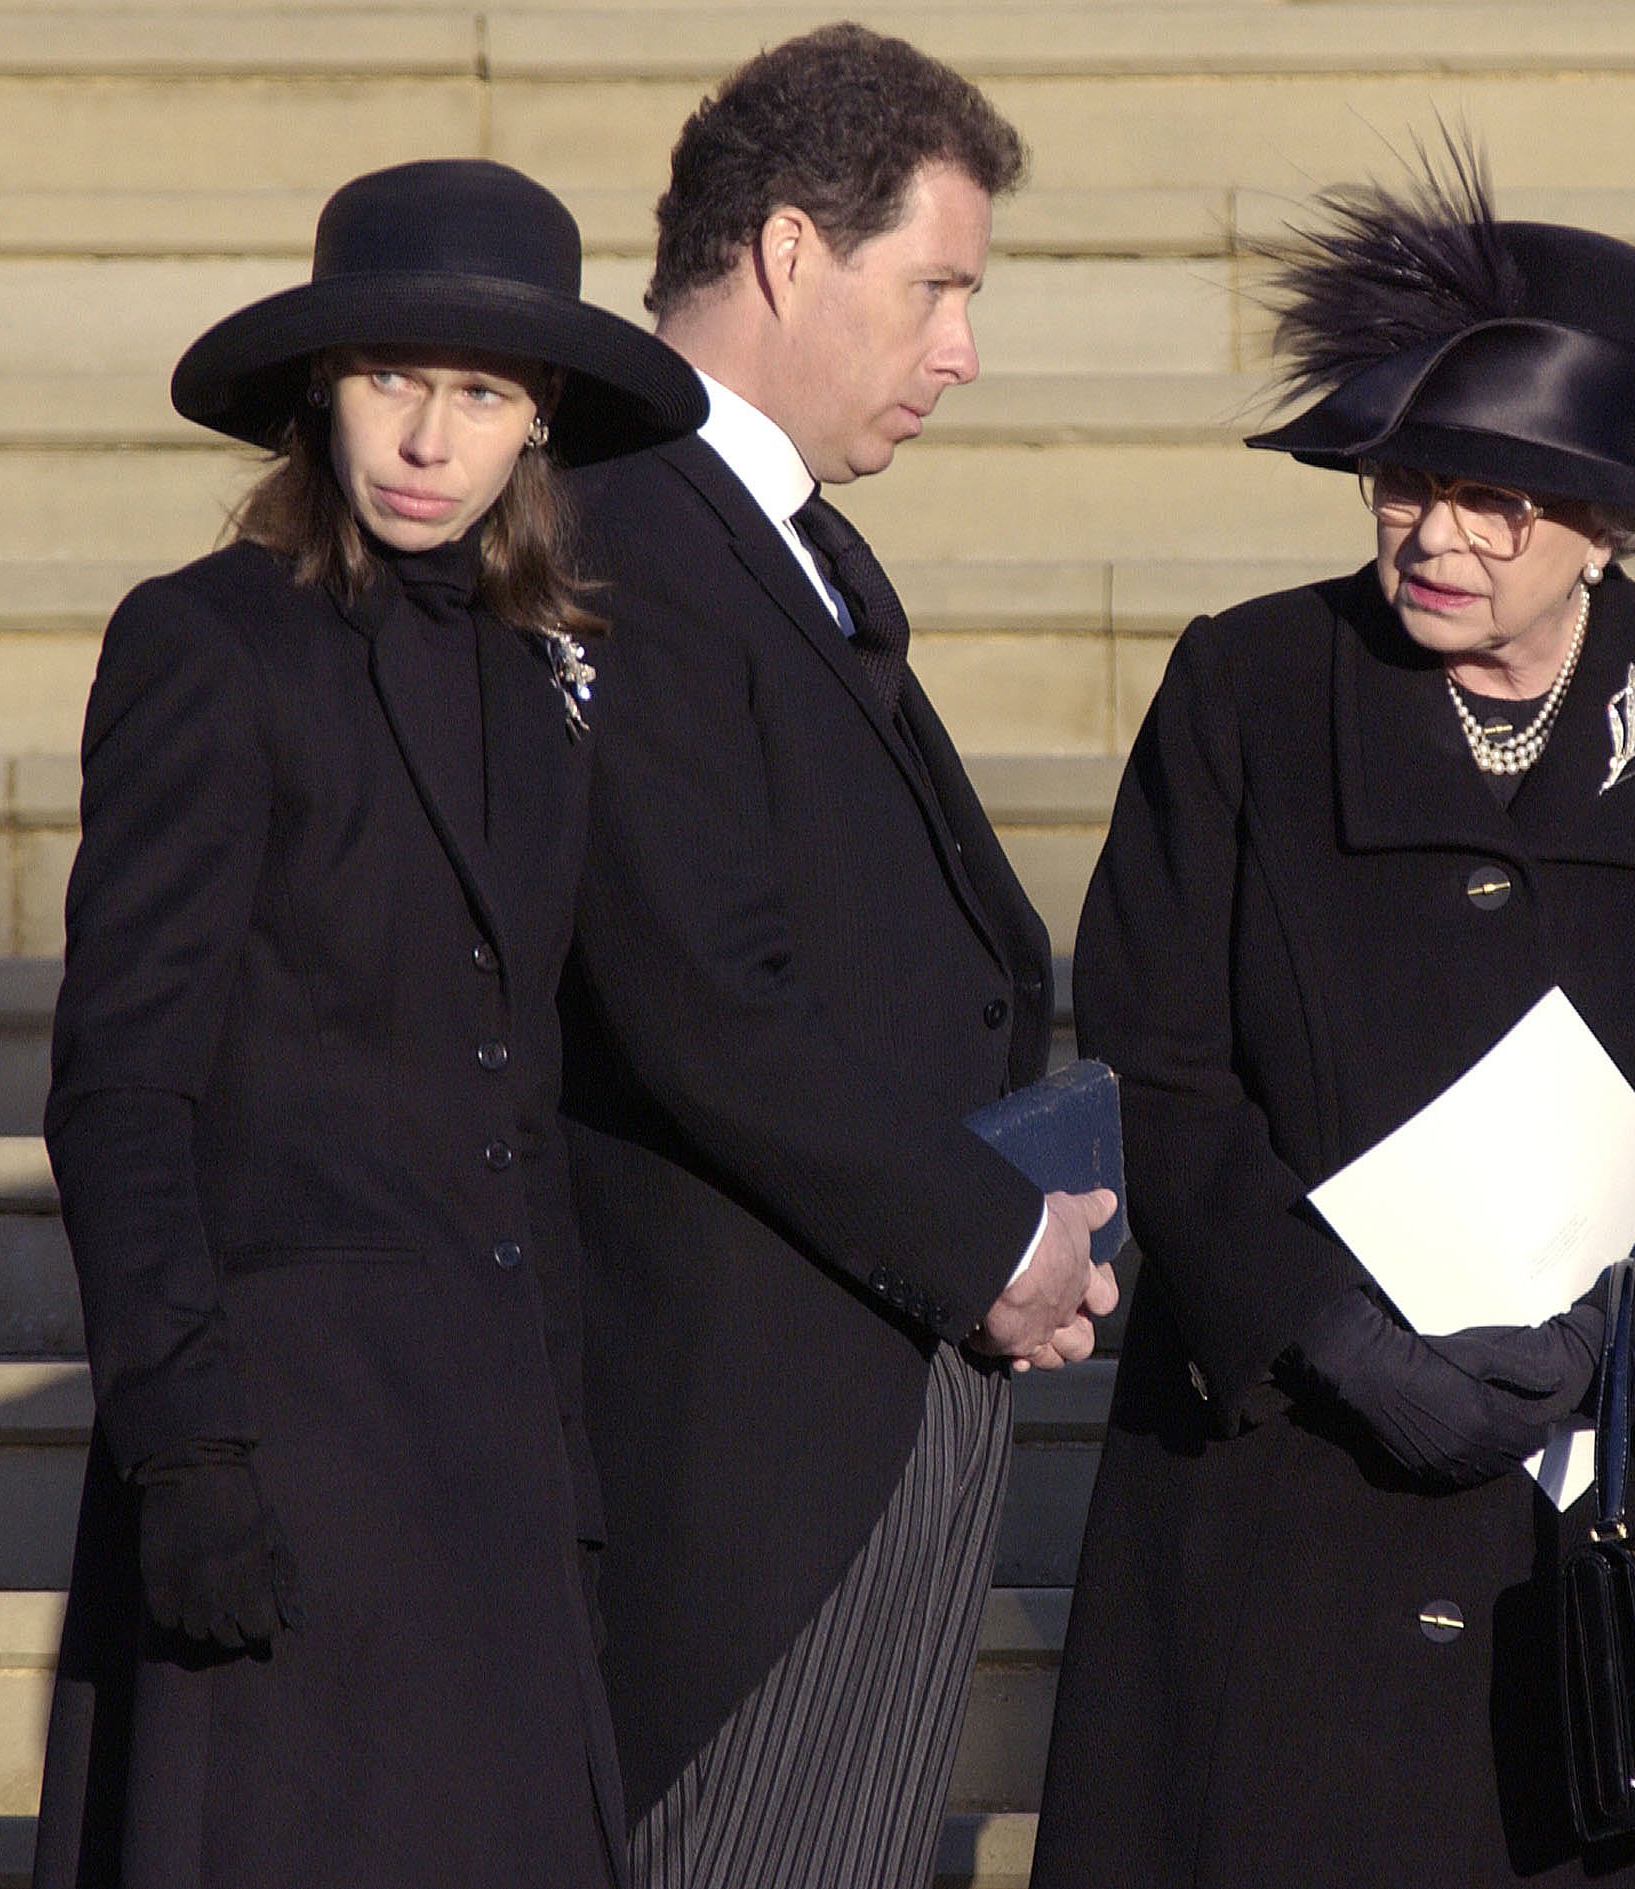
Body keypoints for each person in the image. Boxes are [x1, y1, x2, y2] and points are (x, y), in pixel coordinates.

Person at [1031, 146, 1635, 1888]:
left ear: (1608, 519)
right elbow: (1154, 1051)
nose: (1436, 533)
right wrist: (1321, 1330)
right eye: (1406, 482)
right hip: (1276, 1496)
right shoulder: (1249, 687)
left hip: (1584, 1527)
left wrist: (1628, 1348)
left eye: (1500, 498)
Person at [31, 159, 704, 1889]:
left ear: (537, 416)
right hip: (286, 1456)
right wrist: (186, 1445)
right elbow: (123, 1084)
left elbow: (529, 1093)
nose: (427, 435)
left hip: (486, 1474)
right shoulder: (209, 645)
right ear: (318, 393)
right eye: (391, 379)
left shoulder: (543, 664)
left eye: (478, 390)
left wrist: (566, 1481)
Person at [556, 24, 1119, 1889]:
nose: (962, 347)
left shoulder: (760, 528)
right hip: (752, 1459)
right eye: (936, 286)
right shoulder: (629, 512)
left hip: (860, 1400)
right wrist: (987, 1242)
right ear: (793, 251)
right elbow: (696, 988)